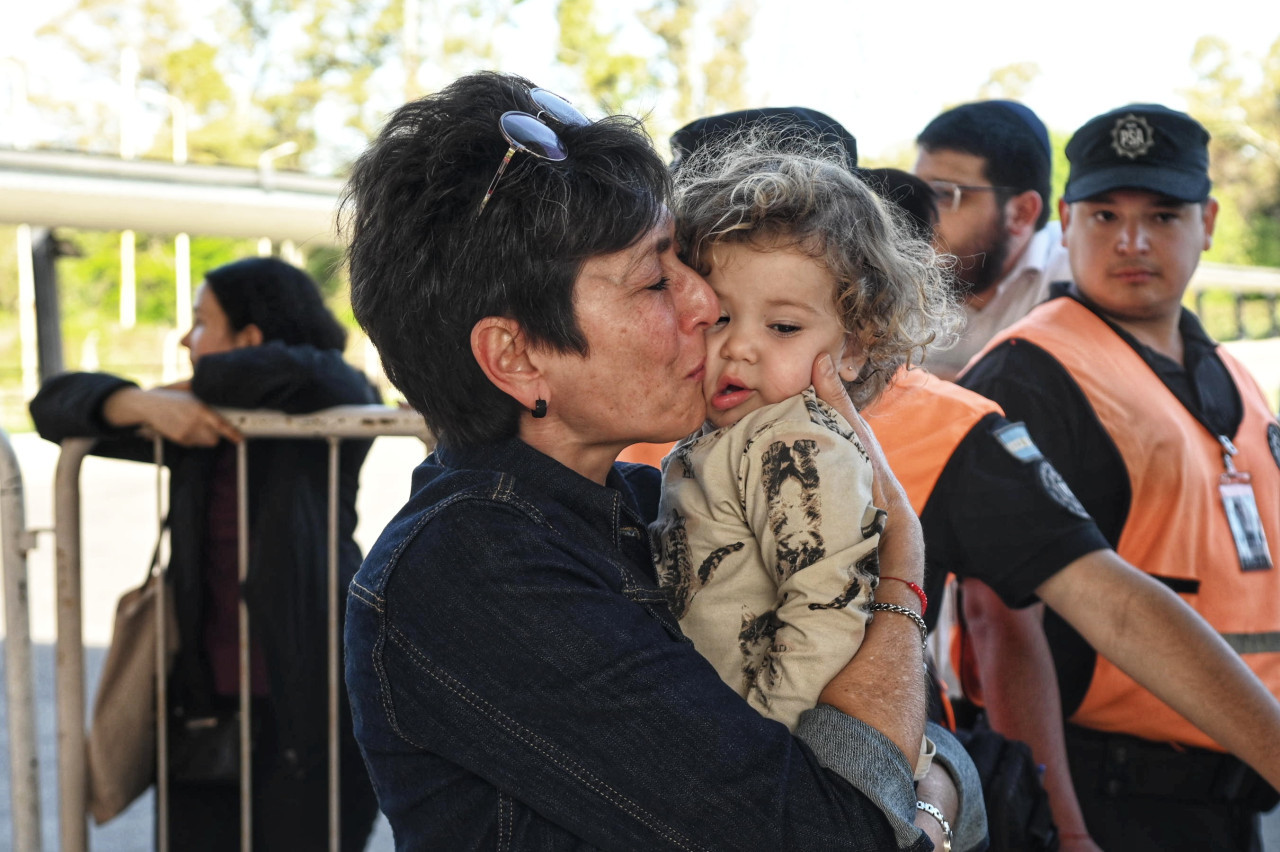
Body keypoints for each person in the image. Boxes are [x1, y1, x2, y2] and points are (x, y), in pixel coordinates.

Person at [340, 71, 986, 852]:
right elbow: (830, 832)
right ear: (516, 357)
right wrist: (899, 581)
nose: (704, 304)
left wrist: (934, 790)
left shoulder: (640, 503)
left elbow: (920, 756)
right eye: (654, 278)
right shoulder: (476, 568)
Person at [959, 104, 1280, 851]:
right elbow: (998, 619)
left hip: (1230, 798)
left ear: (1208, 220)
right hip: (1102, 798)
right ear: (1066, 221)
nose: (1132, 241)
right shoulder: (1029, 373)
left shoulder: (1230, 373)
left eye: (1163, 215)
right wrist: (1062, 832)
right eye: (1105, 214)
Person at [29, 257, 381, 851]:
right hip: (202, 707)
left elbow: (321, 371)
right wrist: (136, 405)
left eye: (200, 324)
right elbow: (53, 405)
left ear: (248, 337)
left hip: (313, 705)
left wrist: (191, 388)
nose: (185, 340)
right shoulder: (191, 431)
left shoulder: (330, 407)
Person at [652, 139, 952, 776]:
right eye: (719, 318)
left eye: (782, 328)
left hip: (782, 764)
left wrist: (770, 759)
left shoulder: (795, 444)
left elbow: (825, 614)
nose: (739, 348)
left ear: (853, 347)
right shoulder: (728, 435)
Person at [913, 100, 1070, 379]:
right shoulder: (891, 275)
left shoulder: (1076, 274)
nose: (916, 215)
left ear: (1021, 213)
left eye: (944, 194)